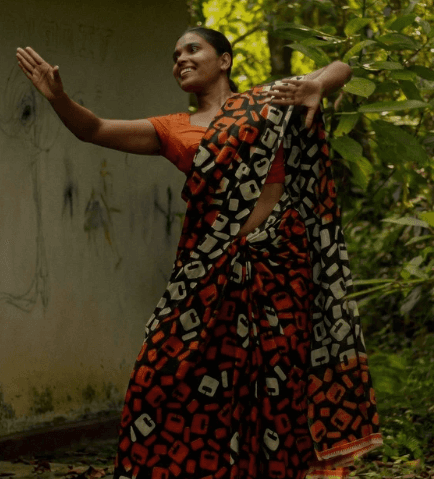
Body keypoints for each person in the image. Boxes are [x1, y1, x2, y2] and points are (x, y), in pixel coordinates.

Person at [16, 27, 382, 479]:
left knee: (278, 386)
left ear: (224, 60)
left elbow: (340, 67)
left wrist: (317, 84)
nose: (181, 60)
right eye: (175, 55)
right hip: (207, 274)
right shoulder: (173, 128)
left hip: (280, 268)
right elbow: (93, 129)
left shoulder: (269, 103)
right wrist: (58, 97)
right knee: (157, 373)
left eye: (193, 49)